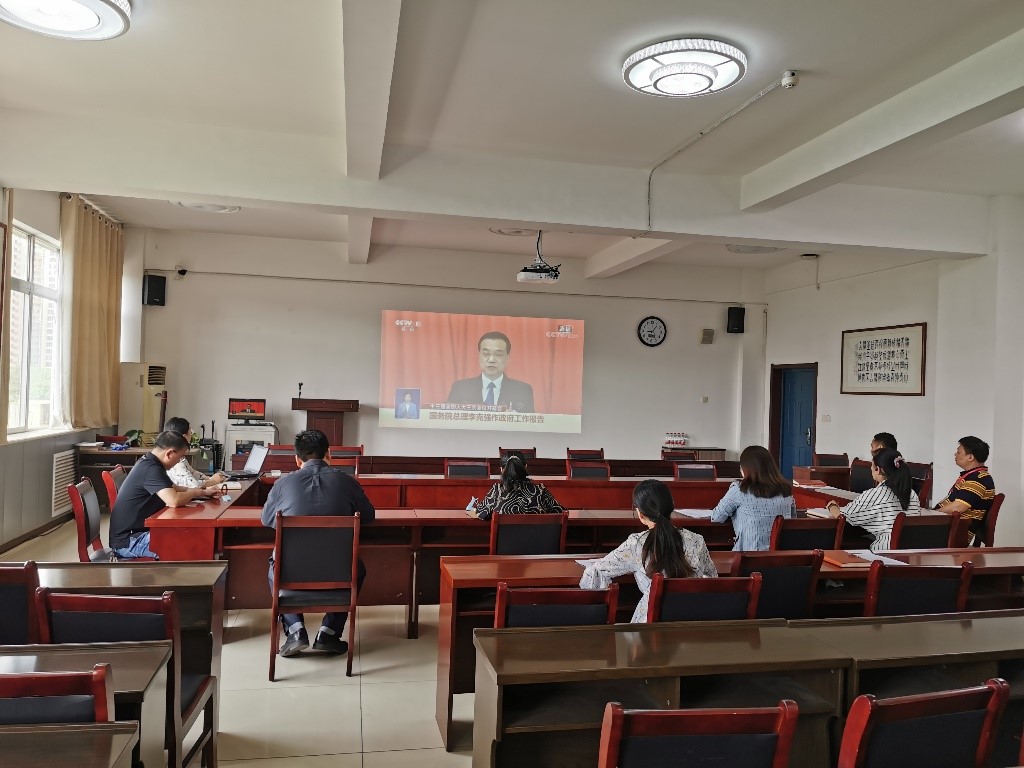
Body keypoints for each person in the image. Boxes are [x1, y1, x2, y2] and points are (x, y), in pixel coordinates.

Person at [261, 429, 376, 658]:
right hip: (340, 574)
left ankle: (295, 630)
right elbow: (369, 516)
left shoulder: (283, 484)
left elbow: (267, 519)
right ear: (329, 454)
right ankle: (329, 633)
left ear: (297, 459)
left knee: (275, 565)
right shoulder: (347, 482)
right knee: (358, 568)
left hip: (291, 574)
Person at [579, 479, 717, 623]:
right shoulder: (697, 540)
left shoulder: (637, 543)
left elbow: (596, 571)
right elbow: (711, 578)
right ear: (672, 505)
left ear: (640, 514)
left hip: (649, 628)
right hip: (692, 623)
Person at [109, 430, 220, 559]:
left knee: (193, 537)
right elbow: (173, 501)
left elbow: (175, 488)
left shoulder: (150, 462)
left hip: (136, 533)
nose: (178, 462)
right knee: (191, 544)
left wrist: (203, 492)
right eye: (180, 457)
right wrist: (195, 492)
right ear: (170, 453)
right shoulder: (151, 469)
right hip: (129, 541)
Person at [826, 449, 919, 551]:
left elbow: (843, 518)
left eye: (872, 465)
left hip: (885, 553)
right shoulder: (912, 494)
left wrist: (832, 506)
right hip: (912, 550)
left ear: (878, 469)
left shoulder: (877, 494)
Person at [711, 445, 795, 551]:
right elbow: (793, 520)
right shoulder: (786, 491)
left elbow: (717, 517)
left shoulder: (739, 489)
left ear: (745, 469)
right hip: (781, 557)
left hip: (749, 557)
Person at [446, 331, 535, 412]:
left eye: (498, 354)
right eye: (486, 354)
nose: (491, 360)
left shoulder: (522, 390)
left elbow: (530, 422)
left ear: (507, 358)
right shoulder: (460, 388)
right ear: (479, 356)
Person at [936, 436, 995, 546]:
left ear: (970, 457)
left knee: (906, 533)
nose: (955, 454)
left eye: (958, 452)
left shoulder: (979, 478)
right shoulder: (973, 476)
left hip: (955, 533)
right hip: (949, 528)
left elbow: (959, 506)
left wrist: (932, 515)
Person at [473, 453, 563, 520]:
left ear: (501, 470)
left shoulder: (497, 491)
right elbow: (560, 512)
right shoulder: (540, 491)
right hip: (537, 540)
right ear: (525, 467)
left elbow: (480, 513)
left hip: (506, 540)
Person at [163, 416, 227, 489]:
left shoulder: (177, 454)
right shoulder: (174, 458)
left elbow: (192, 472)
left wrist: (210, 478)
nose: (191, 435)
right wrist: (213, 481)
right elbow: (193, 485)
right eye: (190, 433)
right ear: (184, 437)